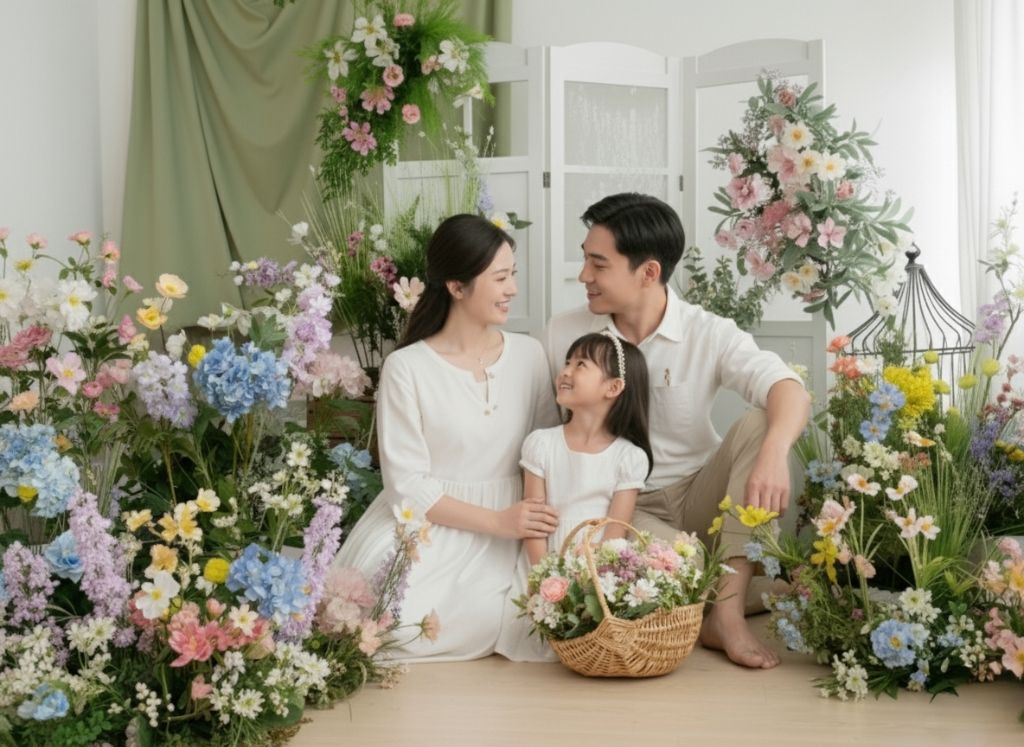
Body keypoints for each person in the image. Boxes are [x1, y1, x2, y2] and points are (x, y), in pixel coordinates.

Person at [545, 193, 811, 669]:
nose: (584, 276)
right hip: (621, 507)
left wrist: (774, 453)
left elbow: (788, 388)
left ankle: (724, 615)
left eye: (598, 264)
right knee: (670, 570)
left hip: (699, 496)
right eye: (585, 260)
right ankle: (740, 588)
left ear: (648, 272)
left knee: (761, 422)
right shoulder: (564, 334)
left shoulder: (706, 331)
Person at [333, 214, 560, 662]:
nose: (513, 289)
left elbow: (546, 453)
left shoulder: (530, 355)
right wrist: (497, 522)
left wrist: (524, 527)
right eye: (500, 278)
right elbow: (407, 486)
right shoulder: (407, 368)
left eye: (513, 274)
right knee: (394, 627)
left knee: (521, 618)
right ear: (457, 287)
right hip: (434, 525)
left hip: (518, 526)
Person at [495, 331, 653, 661]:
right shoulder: (541, 443)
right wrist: (544, 578)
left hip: (596, 567)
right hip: (544, 558)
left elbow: (615, 533)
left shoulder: (628, 457)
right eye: (567, 362)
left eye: (581, 365)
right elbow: (534, 521)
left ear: (613, 387)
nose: (565, 371)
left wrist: (592, 583)